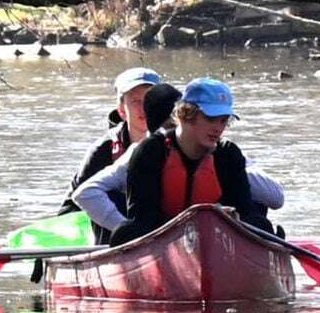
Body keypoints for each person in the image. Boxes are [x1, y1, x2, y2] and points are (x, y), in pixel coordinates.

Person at [71, 83, 284, 241]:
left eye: (223, 120)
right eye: (210, 119)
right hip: (160, 235)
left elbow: (262, 203)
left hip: (219, 237)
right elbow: (141, 219)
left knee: (260, 223)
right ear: (184, 115)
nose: (218, 128)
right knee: (127, 232)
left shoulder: (227, 154)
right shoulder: (149, 152)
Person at [58, 67, 162, 241]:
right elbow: (69, 209)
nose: (144, 108)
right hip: (111, 239)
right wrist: (125, 230)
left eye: (150, 100)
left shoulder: (179, 143)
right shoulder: (102, 151)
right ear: (122, 110)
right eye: (136, 101)